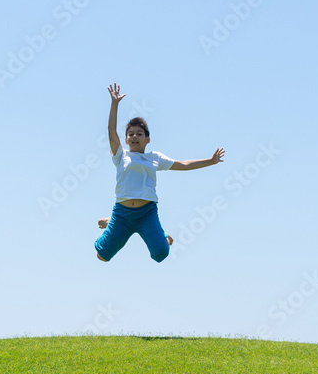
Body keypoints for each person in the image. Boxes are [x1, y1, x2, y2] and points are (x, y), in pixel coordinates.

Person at [96, 83, 225, 263]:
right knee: (102, 256)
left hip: (146, 213)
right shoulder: (120, 155)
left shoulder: (155, 158)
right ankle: (111, 222)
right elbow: (111, 132)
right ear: (125, 140)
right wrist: (114, 104)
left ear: (147, 139)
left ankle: (163, 237)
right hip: (122, 214)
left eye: (139, 134)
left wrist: (210, 161)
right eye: (131, 134)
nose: (134, 136)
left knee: (160, 254)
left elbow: (183, 164)